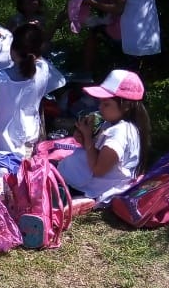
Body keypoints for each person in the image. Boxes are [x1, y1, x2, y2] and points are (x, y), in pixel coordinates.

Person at [57, 69, 151, 204]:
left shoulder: (119, 132)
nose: (100, 107)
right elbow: (100, 155)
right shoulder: (117, 125)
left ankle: (72, 199)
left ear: (126, 106)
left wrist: (88, 139)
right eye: (100, 102)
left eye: (106, 104)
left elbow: (99, 170)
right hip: (88, 183)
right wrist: (84, 139)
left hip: (92, 189)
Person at [0, 23, 67, 157]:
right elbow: (57, 78)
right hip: (32, 136)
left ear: (12, 49)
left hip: (6, 144)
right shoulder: (43, 69)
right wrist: (33, 34)